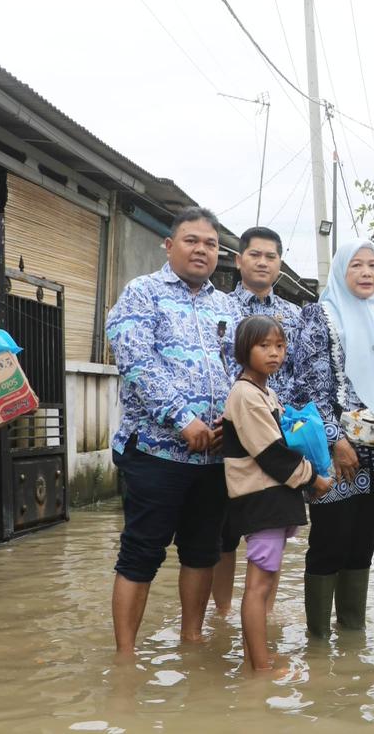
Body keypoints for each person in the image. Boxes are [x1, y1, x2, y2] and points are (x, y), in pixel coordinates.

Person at [105, 207, 235, 656]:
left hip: (215, 455)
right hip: (155, 453)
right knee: (142, 552)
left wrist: (234, 422)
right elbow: (136, 362)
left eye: (211, 244)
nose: (202, 250)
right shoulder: (142, 294)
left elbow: (239, 368)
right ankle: (126, 657)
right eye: (191, 240)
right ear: (170, 245)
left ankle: (192, 640)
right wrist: (184, 420)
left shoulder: (226, 305)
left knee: (203, 551)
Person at [294, 238, 374, 637]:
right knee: (329, 544)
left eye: (373, 266)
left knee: (362, 547)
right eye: (356, 266)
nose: (366, 273)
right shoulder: (320, 316)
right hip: (336, 456)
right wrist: (334, 440)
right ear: (341, 272)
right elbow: (310, 386)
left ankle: (352, 638)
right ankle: (317, 640)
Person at [221, 315, 332, 671]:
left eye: (280, 346)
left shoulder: (264, 391)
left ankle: (260, 657)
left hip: (273, 498)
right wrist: (313, 478)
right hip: (262, 499)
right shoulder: (245, 395)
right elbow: (271, 454)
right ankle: (260, 667)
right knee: (257, 587)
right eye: (264, 346)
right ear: (244, 350)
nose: (274, 353)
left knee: (264, 583)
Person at [211, 226, 304, 616]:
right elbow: (211, 369)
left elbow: (300, 377)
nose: (262, 262)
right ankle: (222, 616)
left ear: (280, 263)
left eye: (270, 256)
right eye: (255, 255)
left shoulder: (296, 317)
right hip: (228, 438)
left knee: (271, 533)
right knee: (222, 535)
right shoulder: (218, 309)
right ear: (239, 259)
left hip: (275, 444)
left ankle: (261, 615)